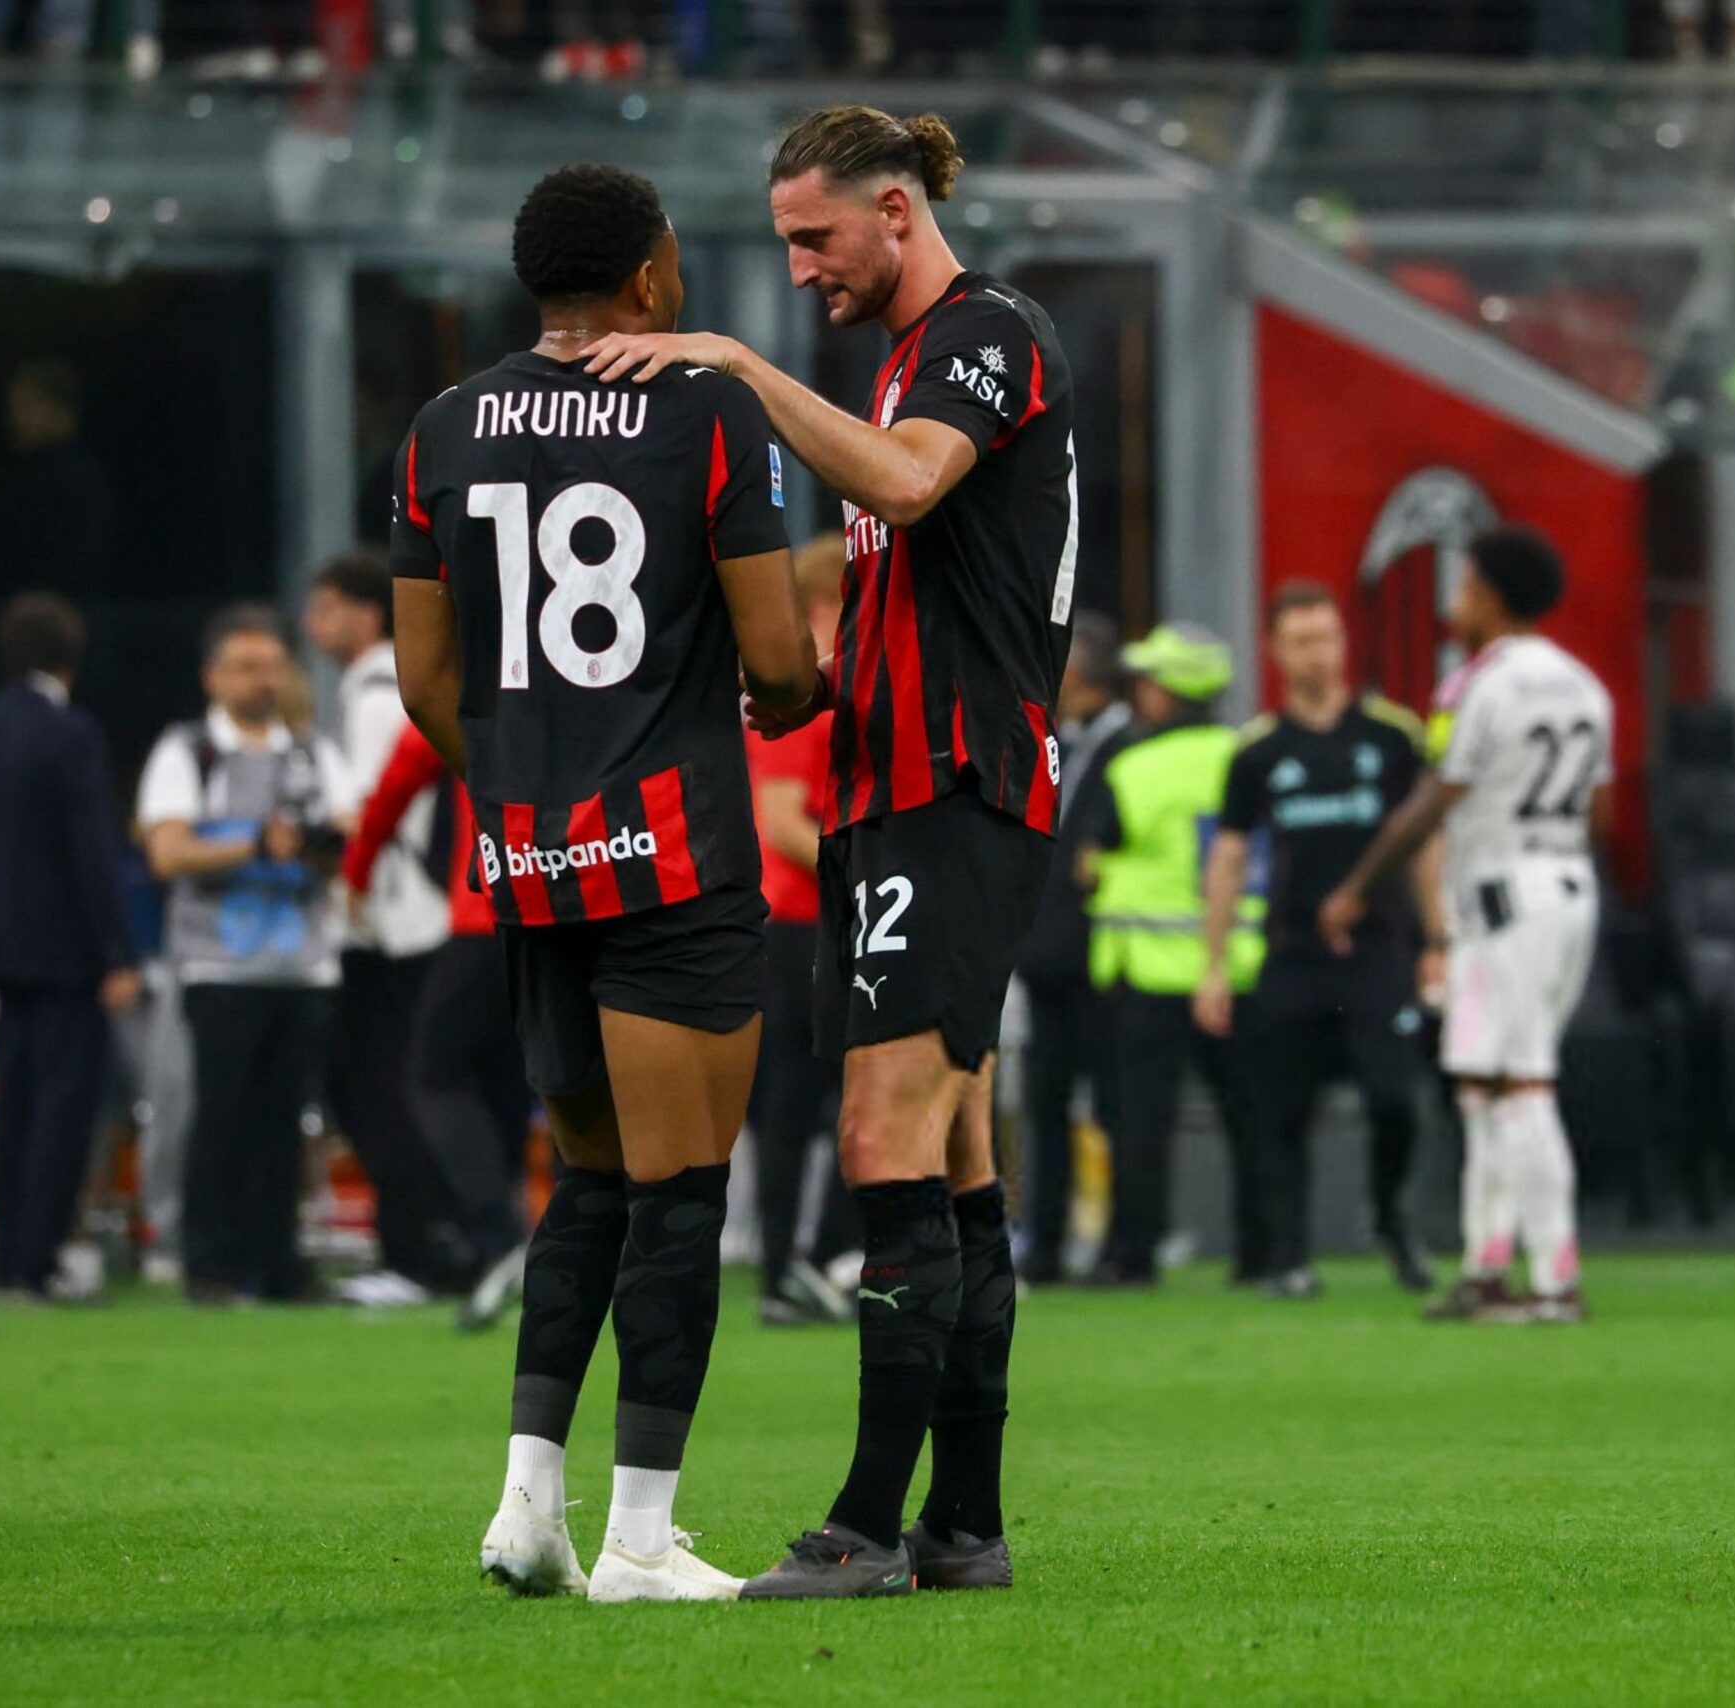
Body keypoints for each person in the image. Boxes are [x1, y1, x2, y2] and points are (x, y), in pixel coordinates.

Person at [581, 105, 1077, 1598]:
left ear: (896, 208)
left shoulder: (986, 334)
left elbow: (913, 484)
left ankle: (863, 1525)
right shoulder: (902, 367)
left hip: (956, 790)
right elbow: (921, 573)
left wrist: (732, 365)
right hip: (893, 787)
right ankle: (963, 1524)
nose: (801, 268)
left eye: (816, 238)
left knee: (880, 1141)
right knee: (954, 1158)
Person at [392, 164, 820, 1602]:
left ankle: (529, 1509)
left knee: (581, 1183)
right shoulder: (706, 408)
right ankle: (640, 1541)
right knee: (682, 1193)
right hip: (675, 859)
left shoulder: (444, 425)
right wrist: (800, 698)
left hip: (528, 859)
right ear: (647, 279)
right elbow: (774, 661)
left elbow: (422, 680)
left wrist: (536, 789)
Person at [1321, 528, 1613, 1325]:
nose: (1455, 601)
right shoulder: (1585, 686)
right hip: (1564, 883)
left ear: (1489, 595)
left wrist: (1356, 887)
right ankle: (1488, 1267)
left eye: (1465, 585)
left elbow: (1433, 799)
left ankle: (1556, 1281)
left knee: (1521, 1083)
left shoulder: (1480, 687)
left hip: (1505, 890)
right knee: (1483, 1082)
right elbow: (1603, 810)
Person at [1198, 584, 1441, 1301]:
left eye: (1327, 638)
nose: (1317, 654)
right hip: (1292, 953)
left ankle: (1393, 1215)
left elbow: (1425, 842)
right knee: (1281, 1110)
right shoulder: (1258, 751)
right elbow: (1230, 857)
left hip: (1378, 951)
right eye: (1301, 641)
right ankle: (1290, 1255)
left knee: (1394, 1097)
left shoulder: (1391, 734)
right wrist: (1214, 965)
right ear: (1276, 652)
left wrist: (1438, 937)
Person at [135, 605, 356, 1306]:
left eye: (271, 666)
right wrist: (256, 844)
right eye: (244, 667)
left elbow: (348, 834)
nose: (262, 681)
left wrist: (321, 846)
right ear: (212, 676)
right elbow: (167, 851)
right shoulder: (189, 750)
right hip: (218, 966)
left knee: (285, 1121)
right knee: (220, 1116)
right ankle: (212, 1264)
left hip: (303, 967)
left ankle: (279, 1263)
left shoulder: (314, 753)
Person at [0, 595, 144, 1301]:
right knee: (63, 1108)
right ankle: (39, 1258)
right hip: (66, 953)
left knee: (12, 1105)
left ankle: (5, 1258)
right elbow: (91, 853)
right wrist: (117, 951)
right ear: (71, 659)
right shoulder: (71, 734)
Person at [1081, 625, 1267, 1290]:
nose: (1140, 693)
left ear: (1169, 692)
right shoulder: (1248, 755)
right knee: (1252, 1120)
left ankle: (1134, 1256)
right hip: (1238, 966)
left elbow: (1088, 859)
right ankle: (1262, 1255)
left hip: (1149, 970)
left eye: (1149, 682)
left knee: (1140, 1125)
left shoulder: (1133, 767)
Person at [306, 549, 471, 1299]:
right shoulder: (385, 684)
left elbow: (376, 807)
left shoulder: (377, 695)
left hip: (398, 922)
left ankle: (416, 1250)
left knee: (378, 1086)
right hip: (430, 916)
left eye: (328, 605)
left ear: (364, 612)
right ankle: (442, 1241)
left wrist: (346, 863)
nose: (315, 623)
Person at [342, 722, 538, 1321]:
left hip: (487, 914)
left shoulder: (469, 688)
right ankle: (542, 1246)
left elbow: (398, 779)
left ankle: (498, 1236)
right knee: (519, 1078)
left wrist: (357, 870)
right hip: (576, 911)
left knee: (434, 1073)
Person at [747, 533, 855, 1328]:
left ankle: (793, 1265)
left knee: (796, 1103)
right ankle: (810, 1261)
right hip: (803, 922)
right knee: (839, 1095)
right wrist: (868, 870)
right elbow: (781, 820)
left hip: (790, 921)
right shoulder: (808, 688)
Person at [1016, 614, 1136, 1286]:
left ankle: (1124, 1243)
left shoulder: (1129, 747)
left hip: (1108, 953)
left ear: (1079, 672)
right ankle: (1048, 1245)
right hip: (1049, 954)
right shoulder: (1052, 738)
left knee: (1115, 1105)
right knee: (1047, 1104)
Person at [0, 358, 117, 607]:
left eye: (26, 406)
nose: (15, 418)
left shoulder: (71, 480)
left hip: (51, 620)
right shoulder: (21, 473)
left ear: (58, 410)